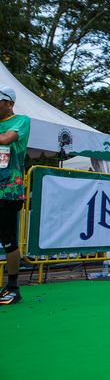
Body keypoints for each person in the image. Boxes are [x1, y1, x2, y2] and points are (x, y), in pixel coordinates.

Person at [0, 86, 30, 306]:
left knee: (8, 238)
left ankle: (12, 287)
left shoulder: (21, 120)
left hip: (8, 190)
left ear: (9, 103)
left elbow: (7, 139)